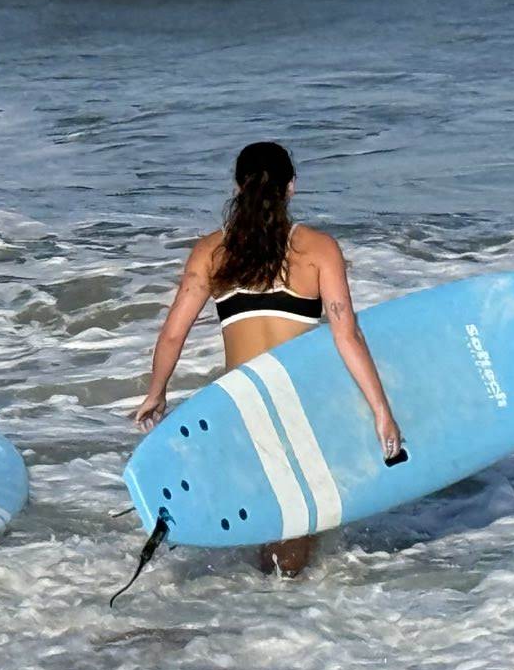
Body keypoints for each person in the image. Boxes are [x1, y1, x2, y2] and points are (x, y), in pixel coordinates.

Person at [131, 141, 402, 576]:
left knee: (265, 511)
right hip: (298, 404)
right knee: (296, 524)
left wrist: (156, 393)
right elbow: (345, 333)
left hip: (237, 408)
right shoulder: (318, 249)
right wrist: (381, 410)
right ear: (291, 187)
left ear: (237, 186)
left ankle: (252, 608)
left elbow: (172, 334)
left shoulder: (212, 252)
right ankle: (282, 615)